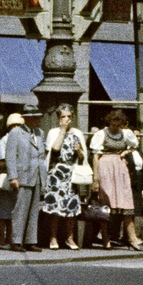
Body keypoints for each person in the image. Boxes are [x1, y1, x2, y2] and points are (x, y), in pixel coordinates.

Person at [91, 110, 143, 251]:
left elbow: (134, 145)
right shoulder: (101, 134)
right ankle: (106, 238)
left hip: (120, 168)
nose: (115, 126)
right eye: (113, 124)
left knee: (125, 201)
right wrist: (95, 178)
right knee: (107, 203)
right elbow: (96, 156)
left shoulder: (125, 134)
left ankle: (132, 238)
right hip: (106, 167)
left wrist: (125, 152)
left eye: (118, 124)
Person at [42, 105, 86, 250]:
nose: (66, 120)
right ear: (58, 118)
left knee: (71, 208)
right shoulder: (54, 132)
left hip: (71, 174)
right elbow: (54, 149)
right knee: (55, 207)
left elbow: (83, 156)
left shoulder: (77, 133)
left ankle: (70, 237)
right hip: (56, 174)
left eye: (69, 117)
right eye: (63, 117)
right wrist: (62, 130)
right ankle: (53, 238)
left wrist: (78, 150)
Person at [4, 114, 45, 252]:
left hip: (37, 175)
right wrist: (13, 176)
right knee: (20, 210)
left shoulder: (40, 133)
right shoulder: (16, 133)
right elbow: (10, 156)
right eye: (35, 118)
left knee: (34, 210)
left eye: (38, 118)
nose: (38, 121)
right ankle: (16, 241)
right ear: (26, 119)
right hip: (23, 175)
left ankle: (30, 240)